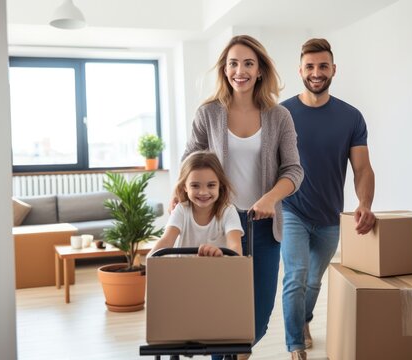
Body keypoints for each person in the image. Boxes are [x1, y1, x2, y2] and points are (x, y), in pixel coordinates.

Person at [182, 35, 304, 359]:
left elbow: (294, 170)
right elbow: (189, 161)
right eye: (233, 63)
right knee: (221, 313)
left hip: (262, 227)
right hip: (218, 227)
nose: (240, 70)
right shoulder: (208, 113)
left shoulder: (279, 117)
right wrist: (179, 198)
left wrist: (270, 198)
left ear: (260, 69)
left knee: (258, 320)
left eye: (248, 63)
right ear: (224, 69)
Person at [280, 38, 376, 360]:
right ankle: (295, 347)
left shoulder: (351, 117)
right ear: (300, 71)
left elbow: (362, 169)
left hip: (330, 216)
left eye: (323, 66)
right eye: (310, 66)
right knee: (295, 277)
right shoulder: (282, 113)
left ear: (334, 69)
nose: (316, 72)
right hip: (291, 210)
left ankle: (304, 320)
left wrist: (364, 205)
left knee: (313, 283)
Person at [149, 151, 243, 257]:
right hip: (184, 272)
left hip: (217, 271)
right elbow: (166, 241)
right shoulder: (182, 210)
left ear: (220, 185)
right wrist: (149, 262)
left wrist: (219, 255)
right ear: (185, 186)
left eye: (211, 185)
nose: (203, 192)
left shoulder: (228, 211)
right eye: (195, 185)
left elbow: (235, 248)